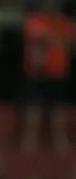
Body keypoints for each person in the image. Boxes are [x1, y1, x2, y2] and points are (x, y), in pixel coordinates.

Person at [20, 0, 74, 153]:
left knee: (58, 108)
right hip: (37, 73)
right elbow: (41, 36)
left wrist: (58, 40)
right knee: (34, 107)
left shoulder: (66, 22)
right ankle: (29, 140)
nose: (52, 5)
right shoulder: (34, 20)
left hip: (58, 73)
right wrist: (59, 40)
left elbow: (69, 43)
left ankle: (60, 139)